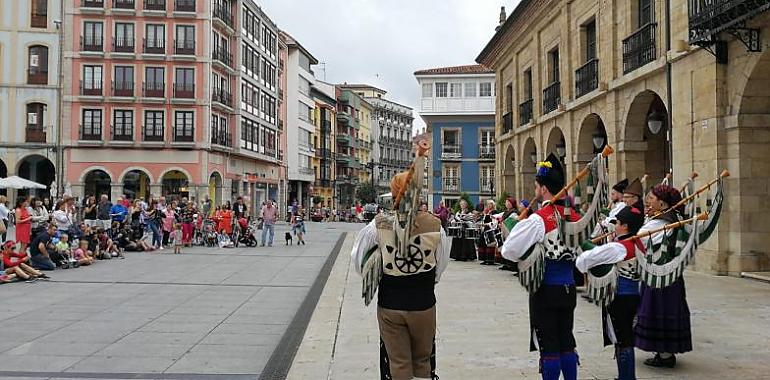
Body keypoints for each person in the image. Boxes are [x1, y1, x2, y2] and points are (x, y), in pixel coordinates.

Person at [351, 153, 449, 380]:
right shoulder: (435, 225)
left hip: (391, 304)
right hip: (424, 303)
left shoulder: (378, 225)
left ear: (394, 195)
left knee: (398, 364)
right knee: (423, 361)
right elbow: (441, 264)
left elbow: (359, 261)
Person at [501, 153, 581, 380]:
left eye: (536, 186)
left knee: (549, 344)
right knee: (566, 340)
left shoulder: (539, 219)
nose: (535, 190)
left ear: (544, 189)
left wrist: (518, 229)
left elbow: (509, 250)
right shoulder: (575, 216)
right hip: (569, 288)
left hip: (545, 289)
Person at [576, 206, 645, 380]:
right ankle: (626, 376)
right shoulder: (639, 243)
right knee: (625, 338)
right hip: (634, 296)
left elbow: (586, 260)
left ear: (625, 227)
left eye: (617, 223)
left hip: (619, 298)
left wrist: (582, 243)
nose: (615, 226)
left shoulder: (618, 247)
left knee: (622, 339)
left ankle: (626, 377)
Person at [635, 184, 690, 368]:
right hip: (662, 276)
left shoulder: (664, 223)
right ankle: (662, 352)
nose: (648, 201)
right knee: (660, 310)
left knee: (661, 310)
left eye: (651, 198)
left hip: (662, 277)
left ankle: (665, 355)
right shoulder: (660, 219)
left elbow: (640, 238)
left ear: (662, 203)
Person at [499, 197, 519, 272]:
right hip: (504, 231)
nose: (507, 204)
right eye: (506, 202)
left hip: (510, 231)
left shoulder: (514, 212)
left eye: (508, 202)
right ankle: (506, 263)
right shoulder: (505, 212)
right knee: (505, 246)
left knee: (510, 247)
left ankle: (512, 265)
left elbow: (512, 221)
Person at [477, 199, 499, 265]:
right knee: (483, 243)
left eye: (490, 204)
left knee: (490, 244)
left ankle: (490, 260)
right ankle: (484, 259)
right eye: (488, 204)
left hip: (490, 229)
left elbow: (495, 222)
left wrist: (487, 224)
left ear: (493, 205)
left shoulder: (494, 212)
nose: (488, 205)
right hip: (485, 229)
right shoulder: (488, 212)